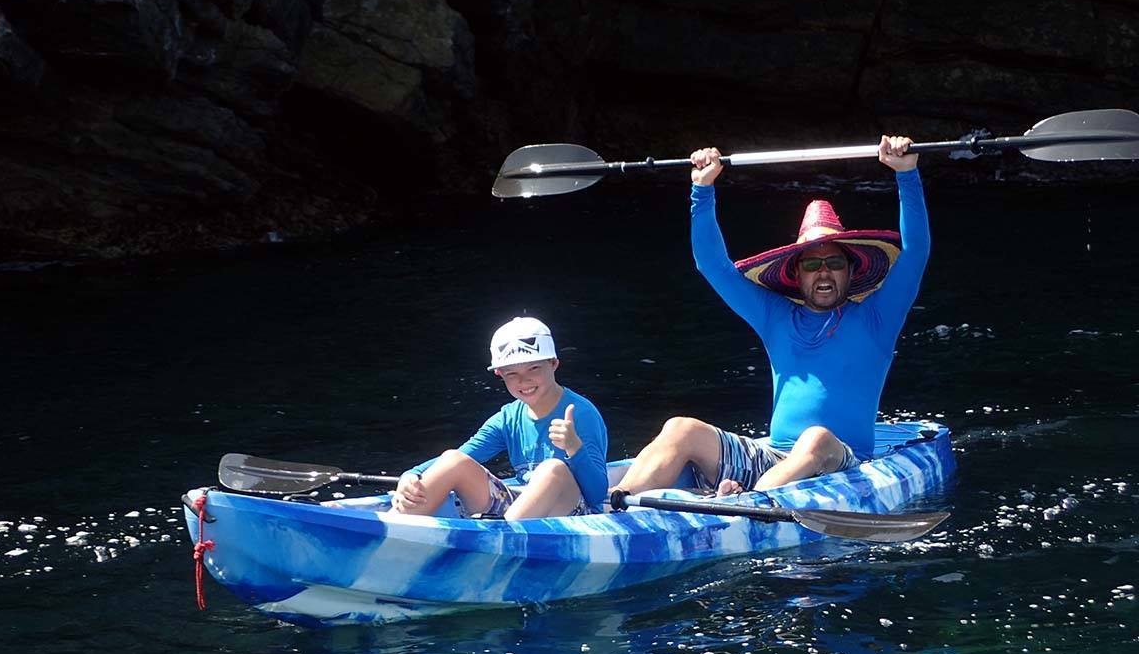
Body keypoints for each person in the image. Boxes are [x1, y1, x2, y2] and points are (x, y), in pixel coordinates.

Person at [611, 135, 929, 498]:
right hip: (772, 460)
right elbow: (712, 266)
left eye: (834, 263)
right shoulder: (775, 317)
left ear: (850, 271)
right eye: (812, 264)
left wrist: (907, 175)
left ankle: (747, 502)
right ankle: (616, 502)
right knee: (680, 428)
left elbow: (916, 252)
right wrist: (702, 189)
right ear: (798, 274)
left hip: (841, 462)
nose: (823, 272)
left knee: (817, 437)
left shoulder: (877, 320)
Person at [390, 316, 609, 519]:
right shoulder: (507, 417)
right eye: (512, 373)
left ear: (553, 363)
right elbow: (463, 455)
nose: (524, 381)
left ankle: (499, 542)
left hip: (576, 517)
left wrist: (574, 447)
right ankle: (394, 525)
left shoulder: (582, 413)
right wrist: (412, 474)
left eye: (534, 368)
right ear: (499, 374)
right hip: (521, 515)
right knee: (452, 459)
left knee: (553, 469)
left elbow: (597, 494)